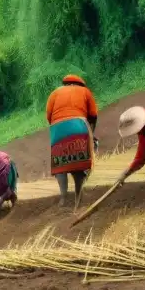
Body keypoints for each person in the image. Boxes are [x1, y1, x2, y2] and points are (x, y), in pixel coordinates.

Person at [46, 74, 99, 207]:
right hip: (78, 125)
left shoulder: (54, 93)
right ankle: (78, 195)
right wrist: (91, 134)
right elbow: (93, 115)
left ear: (66, 84)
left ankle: (63, 198)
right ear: (80, 84)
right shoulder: (85, 91)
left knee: (60, 165)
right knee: (80, 163)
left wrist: (59, 128)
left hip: (57, 128)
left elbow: (49, 116)